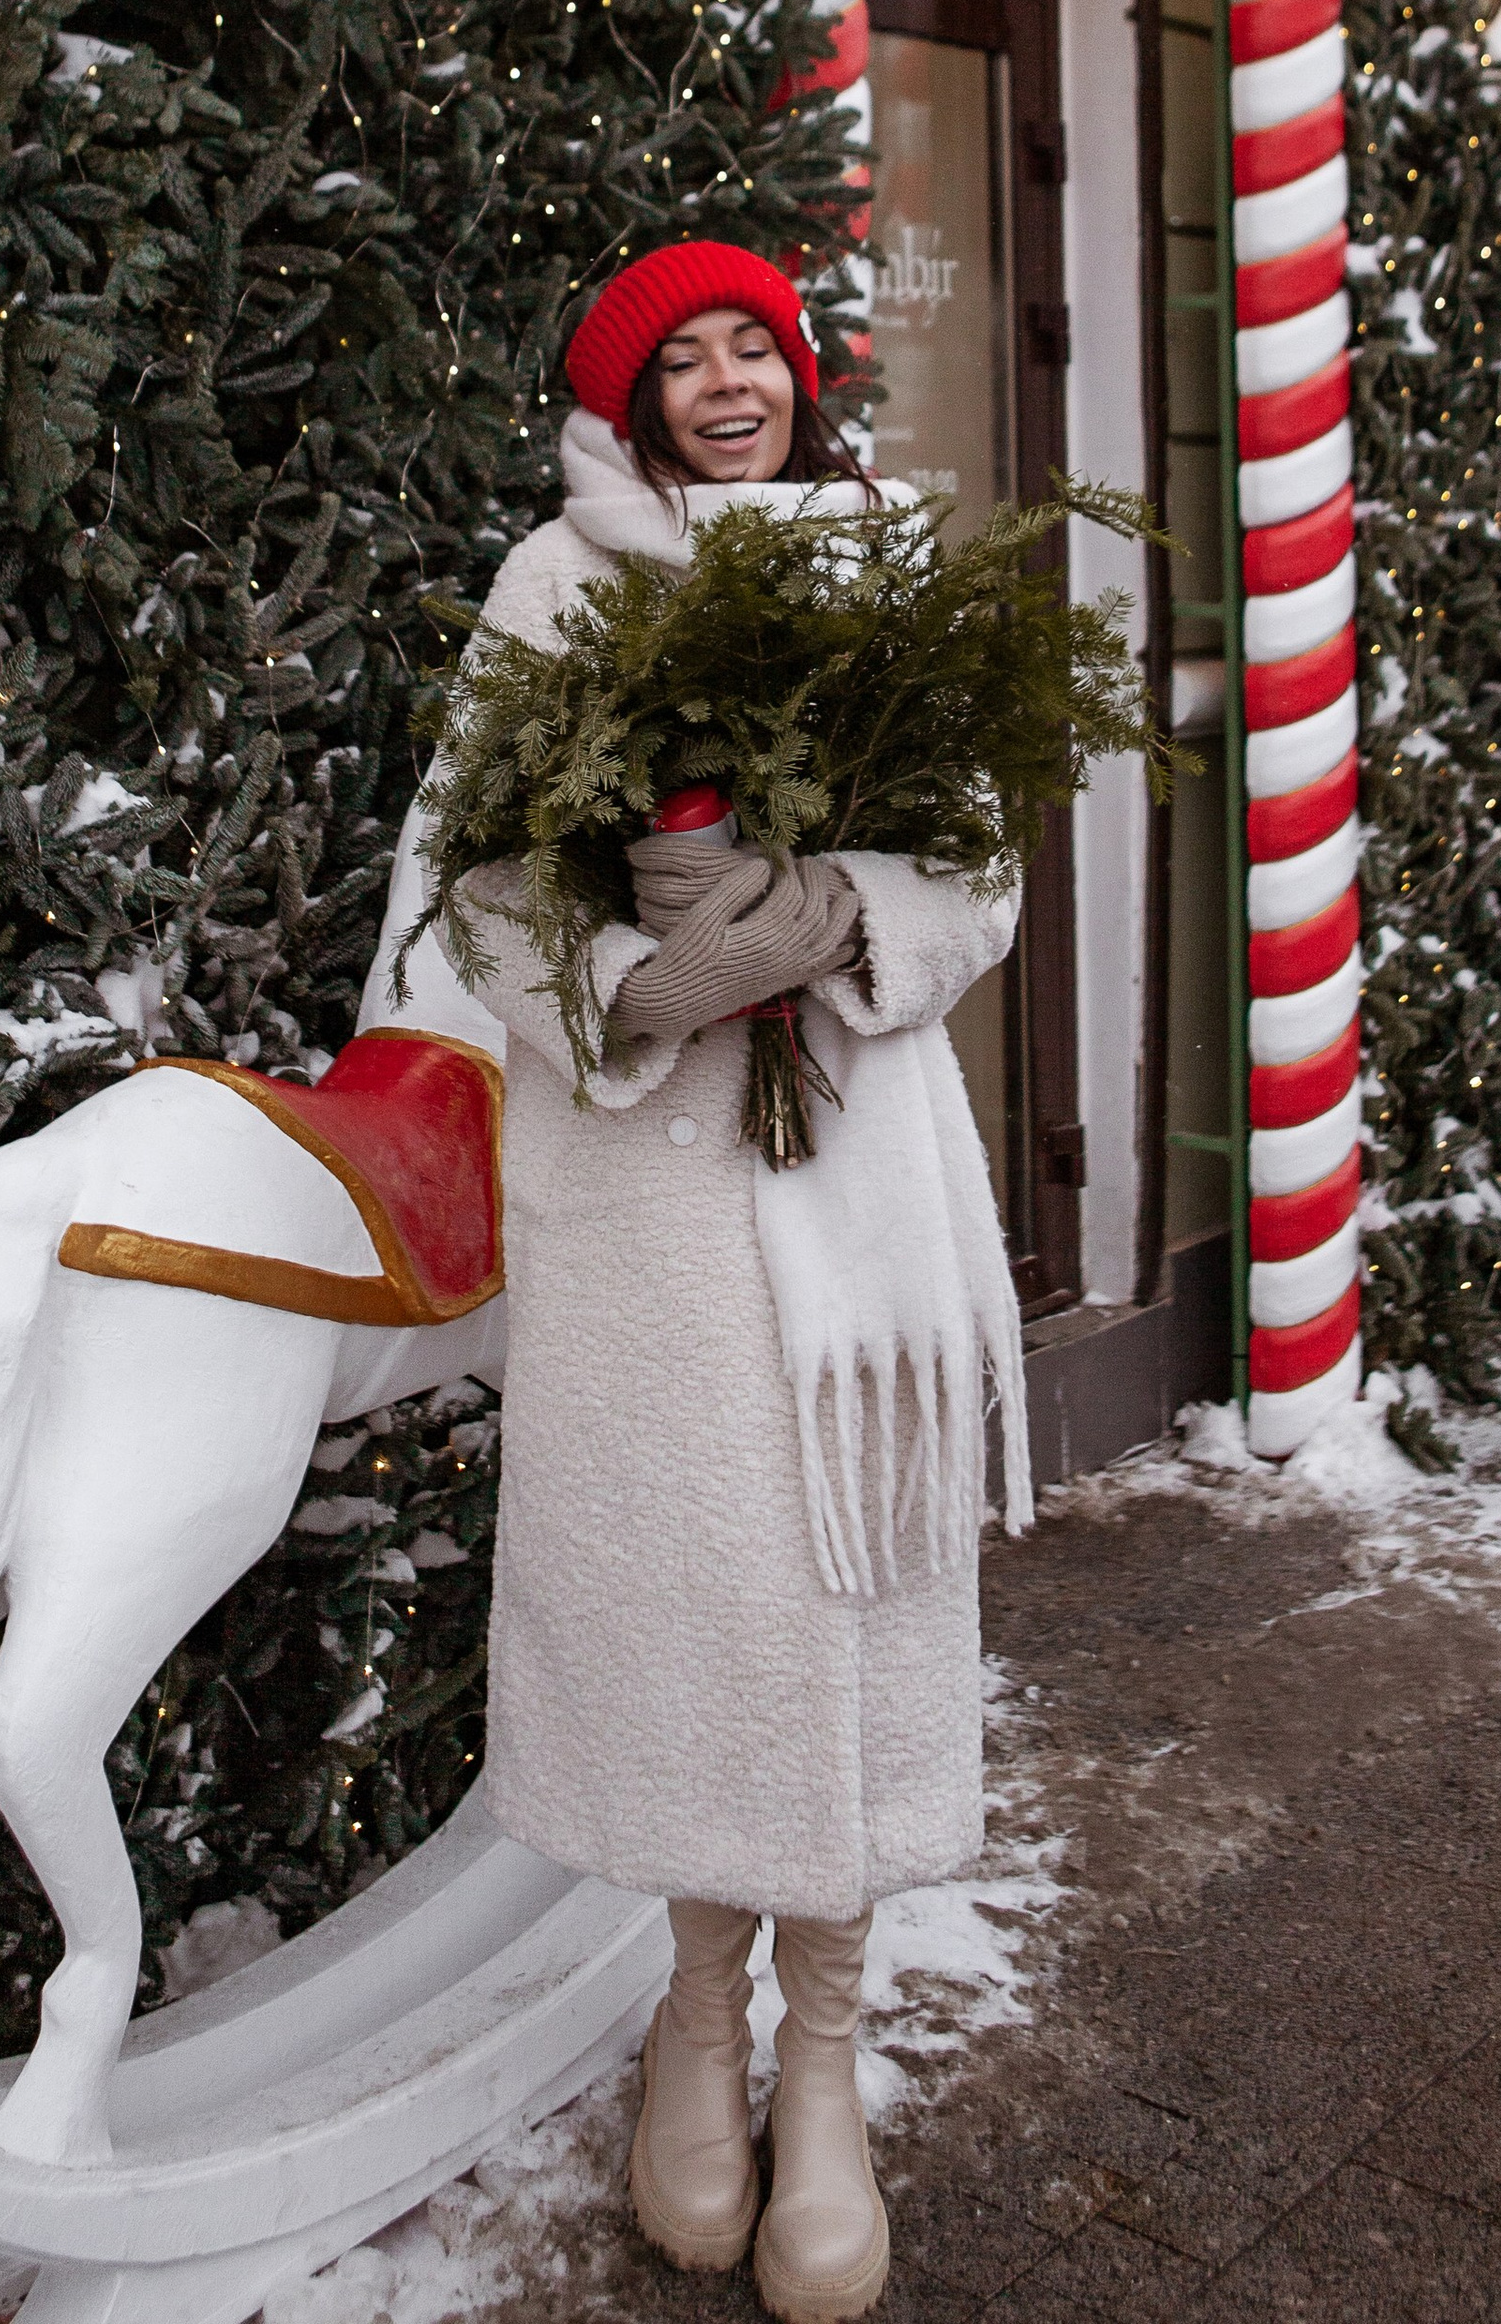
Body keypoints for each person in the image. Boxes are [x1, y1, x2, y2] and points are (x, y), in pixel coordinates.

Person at [361, 239, 1032, 2324]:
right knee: (691, 1601)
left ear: (797, 376)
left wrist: (837, 912)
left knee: (845, 1603)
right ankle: (692, 2013)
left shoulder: (884, 560)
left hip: (861, 1173)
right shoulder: (551, 590)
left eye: (755, 345)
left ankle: (820, 2059)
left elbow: (982, 843)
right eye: (683, 358)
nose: (725, 380)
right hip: (643, 1182)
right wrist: (643, 982)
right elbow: (465, 877)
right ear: (625, 401)